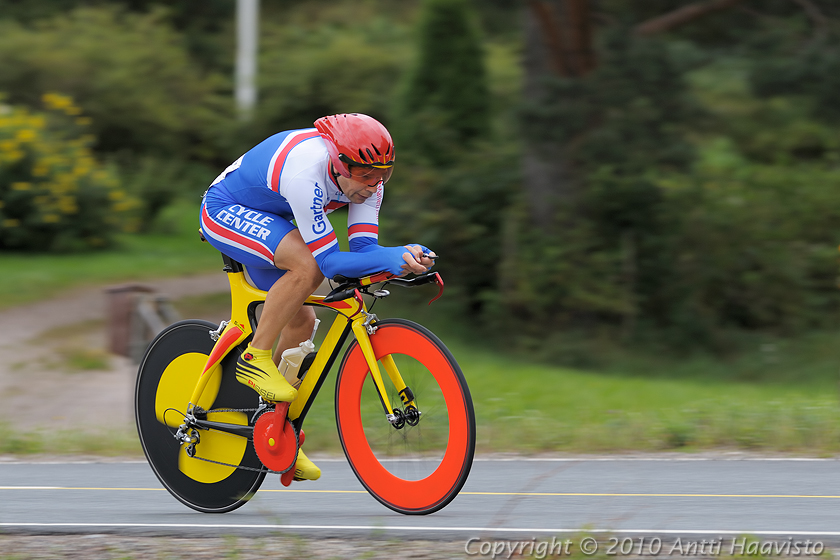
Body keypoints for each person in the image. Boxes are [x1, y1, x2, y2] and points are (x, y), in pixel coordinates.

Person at [199, 113, 436, 482]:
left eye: (383, 175)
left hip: (272, 219)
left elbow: (363, 249)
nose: (374, 185)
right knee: (307, 267)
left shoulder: (368, 182)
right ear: (340, 165)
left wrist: (401, 258)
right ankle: (254, 356)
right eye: (365, 175)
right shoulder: (306, 173)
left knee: (302, 322)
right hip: (224, 210)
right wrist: (392, 256)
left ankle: (273, 427)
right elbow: (327, 263)